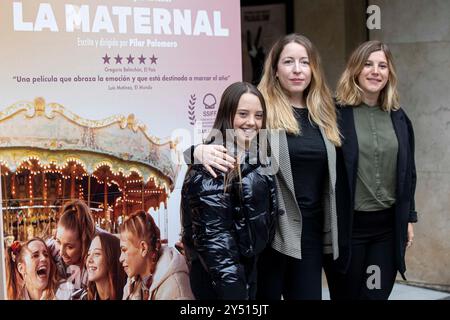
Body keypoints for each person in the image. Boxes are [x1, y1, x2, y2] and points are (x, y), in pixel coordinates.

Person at [187, 34, 342, 300]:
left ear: (313, 69)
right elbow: (225, 136)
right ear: (275, 69)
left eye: (304, 62)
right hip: (270, 235)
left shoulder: (326, 112)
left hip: (311, 233)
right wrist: (195, 151)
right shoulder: (260, 107)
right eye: (288, 62)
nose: (297, 69)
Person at [324, 40, 417, 300]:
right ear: (355, 69)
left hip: (387, 231)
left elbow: (408, 172)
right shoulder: (335, 113)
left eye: (382, 66)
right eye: (368, 64)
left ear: (389, 73)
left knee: (374, 296)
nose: (375, 71)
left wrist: (408, 216)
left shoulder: (398, 116)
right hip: (348, 229)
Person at [181, 81, 278, 300]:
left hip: (245, 275)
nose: (252, 122)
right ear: (227, 115)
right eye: (243, 114)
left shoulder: (256, 156)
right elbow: (216, 242)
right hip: (223, 285)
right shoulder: (212, 165)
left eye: (258, 115)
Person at [119, 210, 194, 300]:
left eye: (124, 250)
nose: (120, 258)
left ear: (143, 248)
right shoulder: (133, 282)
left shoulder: (176, 290)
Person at [47, 199, 97, 298]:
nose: (61, 253)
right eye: (58, 242)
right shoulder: (52, 250)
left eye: (69, 247)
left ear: (84, 243)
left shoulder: (94, 267)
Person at [85, 232, 127, 300]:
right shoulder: (83, 297)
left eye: (97, 254)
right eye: (89, 254)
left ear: (112, 258)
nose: (89, 260)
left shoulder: (128, 295)